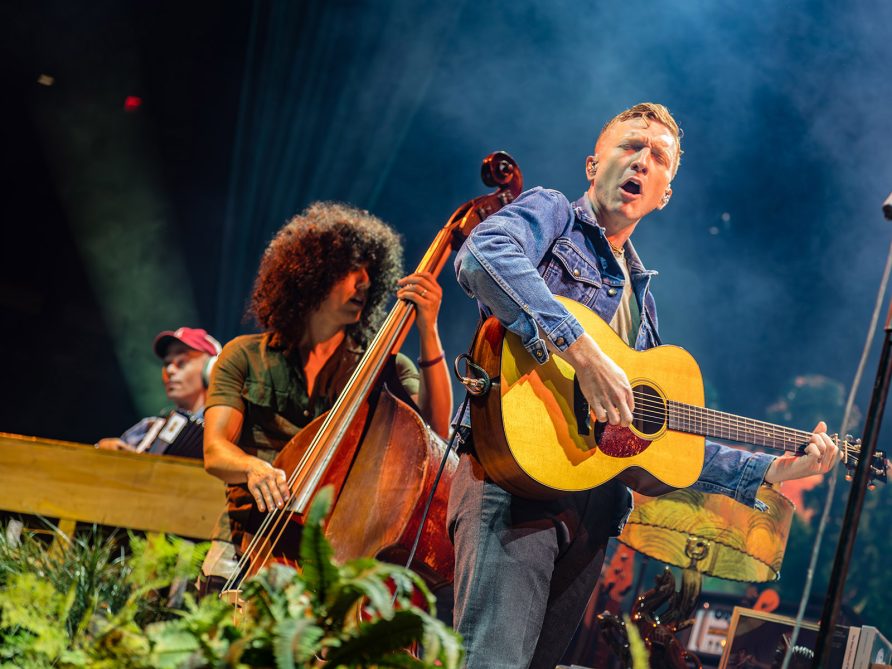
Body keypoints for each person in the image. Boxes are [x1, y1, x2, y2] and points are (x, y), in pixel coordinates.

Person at [448, 102, 842, 669]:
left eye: (658, 158)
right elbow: (483, 257)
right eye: (630, 146)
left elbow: (664, 442)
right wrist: (581, 352)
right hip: (515, 483)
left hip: (591, 510)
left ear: (664, 194)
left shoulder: (645, 309)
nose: (641, 161)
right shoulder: (554, 214)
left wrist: (772, 470)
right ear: (593, 164)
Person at [200, 201, 453, 585]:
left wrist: (428, 330)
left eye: (370, 270)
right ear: (311, 274)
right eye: (352, 269)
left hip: (341, 557)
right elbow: (215, 451)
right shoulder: (244, 355)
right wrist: (253, 468)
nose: (365, 282)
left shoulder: (385, 370)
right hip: (246, 544)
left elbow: (438, 433)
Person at [96, 327, 222, 454]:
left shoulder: (228, 429)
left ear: (211, 369)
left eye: (181, 362)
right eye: (167, 363)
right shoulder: (148, 429)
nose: (170, 370)